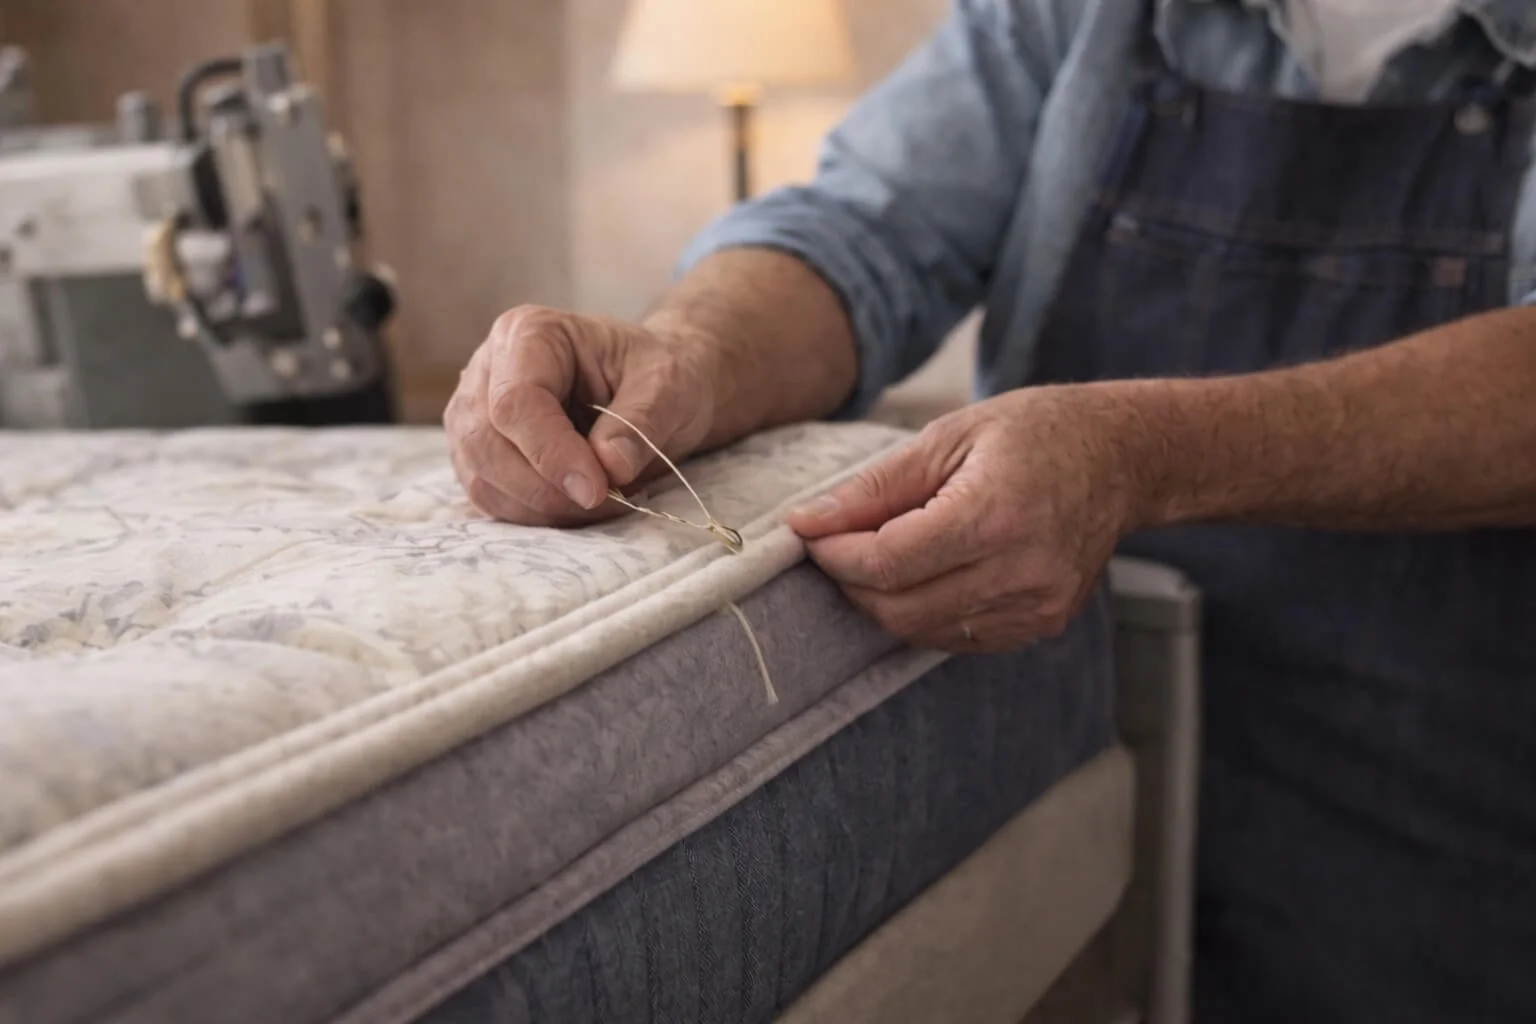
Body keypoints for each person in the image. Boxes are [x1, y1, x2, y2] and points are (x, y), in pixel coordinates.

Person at [444, 0, 1536, 1020]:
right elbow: (867, 226)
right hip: (1076, 770)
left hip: (1453, 820)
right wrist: (691, 355)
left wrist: (1135, 455)